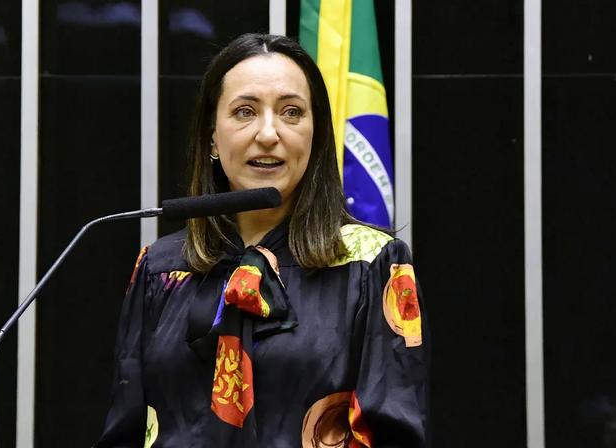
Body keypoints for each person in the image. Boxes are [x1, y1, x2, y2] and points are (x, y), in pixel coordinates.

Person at [96, 33, 428, 448]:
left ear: (316, 133)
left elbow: (393, 434)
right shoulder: (160, 268)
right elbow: (124, 432)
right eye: (245, 112)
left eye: (291, 112)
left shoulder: (372, 263)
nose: (269, 133)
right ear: (212, 135)